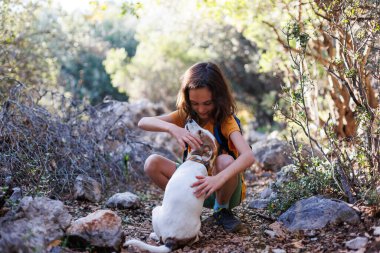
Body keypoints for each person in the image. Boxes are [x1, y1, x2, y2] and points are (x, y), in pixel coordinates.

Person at [138, 61, 255, 233]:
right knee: (152, 163)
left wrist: (217, 179)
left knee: (225, 160)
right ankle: (187, 208)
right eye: (195, 103)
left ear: (219, 97)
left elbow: (248, 156)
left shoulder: (226, 120)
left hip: (223, 187)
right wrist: (172, 128)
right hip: (195, 187)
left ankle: (221, 211)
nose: (200, 109)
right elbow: (143, 122)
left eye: (207, 103)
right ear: (187, 99)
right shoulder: (186, 116)